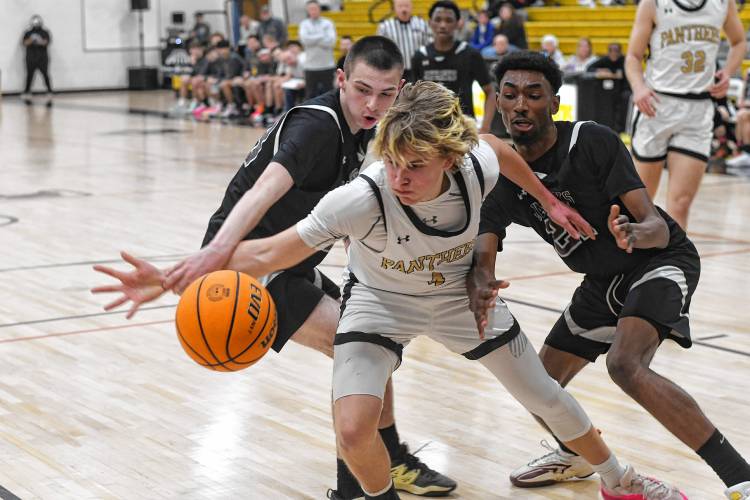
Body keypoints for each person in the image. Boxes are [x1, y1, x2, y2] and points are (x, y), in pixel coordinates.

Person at [94, 80, 687, 500]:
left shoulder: (475, 161)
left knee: (547, 399)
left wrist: (549, 198)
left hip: (457, 298)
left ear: (451, 158)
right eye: (394, 160)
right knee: (354, 428)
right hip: (379, 304)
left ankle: (621, 480)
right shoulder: (361, 196)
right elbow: (272, 253)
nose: (401, 176)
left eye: (417, 166)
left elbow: (502, 152)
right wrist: (179, 274)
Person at [93, 36, 457, 500]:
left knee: (374, 342)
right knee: (358, 349)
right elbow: (261, 191)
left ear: (399, 90)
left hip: (290, 258)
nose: (373, 103)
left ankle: (388, 458)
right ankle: (357, 487)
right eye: (363, 89)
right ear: (340, 79)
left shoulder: (368, 129)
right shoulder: (318, 127)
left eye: (386, 94)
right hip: (250, 266)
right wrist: (199, 264)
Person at [468, 50, 750, 499]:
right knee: (538, 386)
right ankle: (575, 454)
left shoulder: (591, 140)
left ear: (554, 103)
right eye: (511, 94)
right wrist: (482, 281)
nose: (521, 104)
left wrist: (634, 233)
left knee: (625, 365)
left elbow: (656, 227)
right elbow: (485, 244)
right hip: (600, 283)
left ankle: (740, 476)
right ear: (498, 102)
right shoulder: (502, 176)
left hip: (657, 262)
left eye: (534, 94)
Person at [624, 0, 746, 229]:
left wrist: (728, 72)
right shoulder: (654, 4)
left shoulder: (721, 3)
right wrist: (639, 87)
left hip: (697, 109)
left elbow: (739, 42)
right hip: (656, 105)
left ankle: (676, 263)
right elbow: (633, 56)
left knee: (681, 204)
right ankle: (632, 263)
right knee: (640, 206)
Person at [412, 0, 497, 133]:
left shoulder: (470, 54)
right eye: (438, 19)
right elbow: (412, 98)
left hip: (462, 130)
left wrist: (485, 127)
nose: (443, 25)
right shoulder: (420, 56)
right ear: (430, 23)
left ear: (458, 23)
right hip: (428, 131)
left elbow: (490, 91)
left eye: (448, 20)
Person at [376, 0, 431, 82]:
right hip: (395, 70)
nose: (404, 9)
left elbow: (429, 46)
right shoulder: (385, 26)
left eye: (406, 6)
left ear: (411, 7)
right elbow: (380, 49)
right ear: (394, 8)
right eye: (400, 6)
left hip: (418, 69)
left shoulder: (422, 24)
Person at [587, 42, 631, 133]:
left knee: (624, 99)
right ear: (608, 52)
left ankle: (621, 129)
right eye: (611, 51)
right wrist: (600, 70)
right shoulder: (605, 60)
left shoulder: (625, 61)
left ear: (620, 52)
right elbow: (589, 68)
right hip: (608, 91)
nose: (614, 53)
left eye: (616, 51)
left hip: (623, 89)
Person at [299, 0, 337, 98]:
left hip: (327, 65)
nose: (313, 11)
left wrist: (312, 38)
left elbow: (331, 42)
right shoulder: (304, 24)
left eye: (315, 8)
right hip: (311, 66)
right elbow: (304, 40)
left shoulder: (328, 23)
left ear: (319, 9)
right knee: (310, 95)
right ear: (307, 10)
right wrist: (322, 36)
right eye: (311, 9)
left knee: (329, 94)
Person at [21, 15, 53, 106]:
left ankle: (49, 90)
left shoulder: (45, 32)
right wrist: (31, 39)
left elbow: (46, 42)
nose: (36, 23)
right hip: (31, 58)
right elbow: (24, 43)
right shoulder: (28, 32)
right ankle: (27, 91)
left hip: (42, 58)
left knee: (45, 74)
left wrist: (39, 40)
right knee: (29, 75)